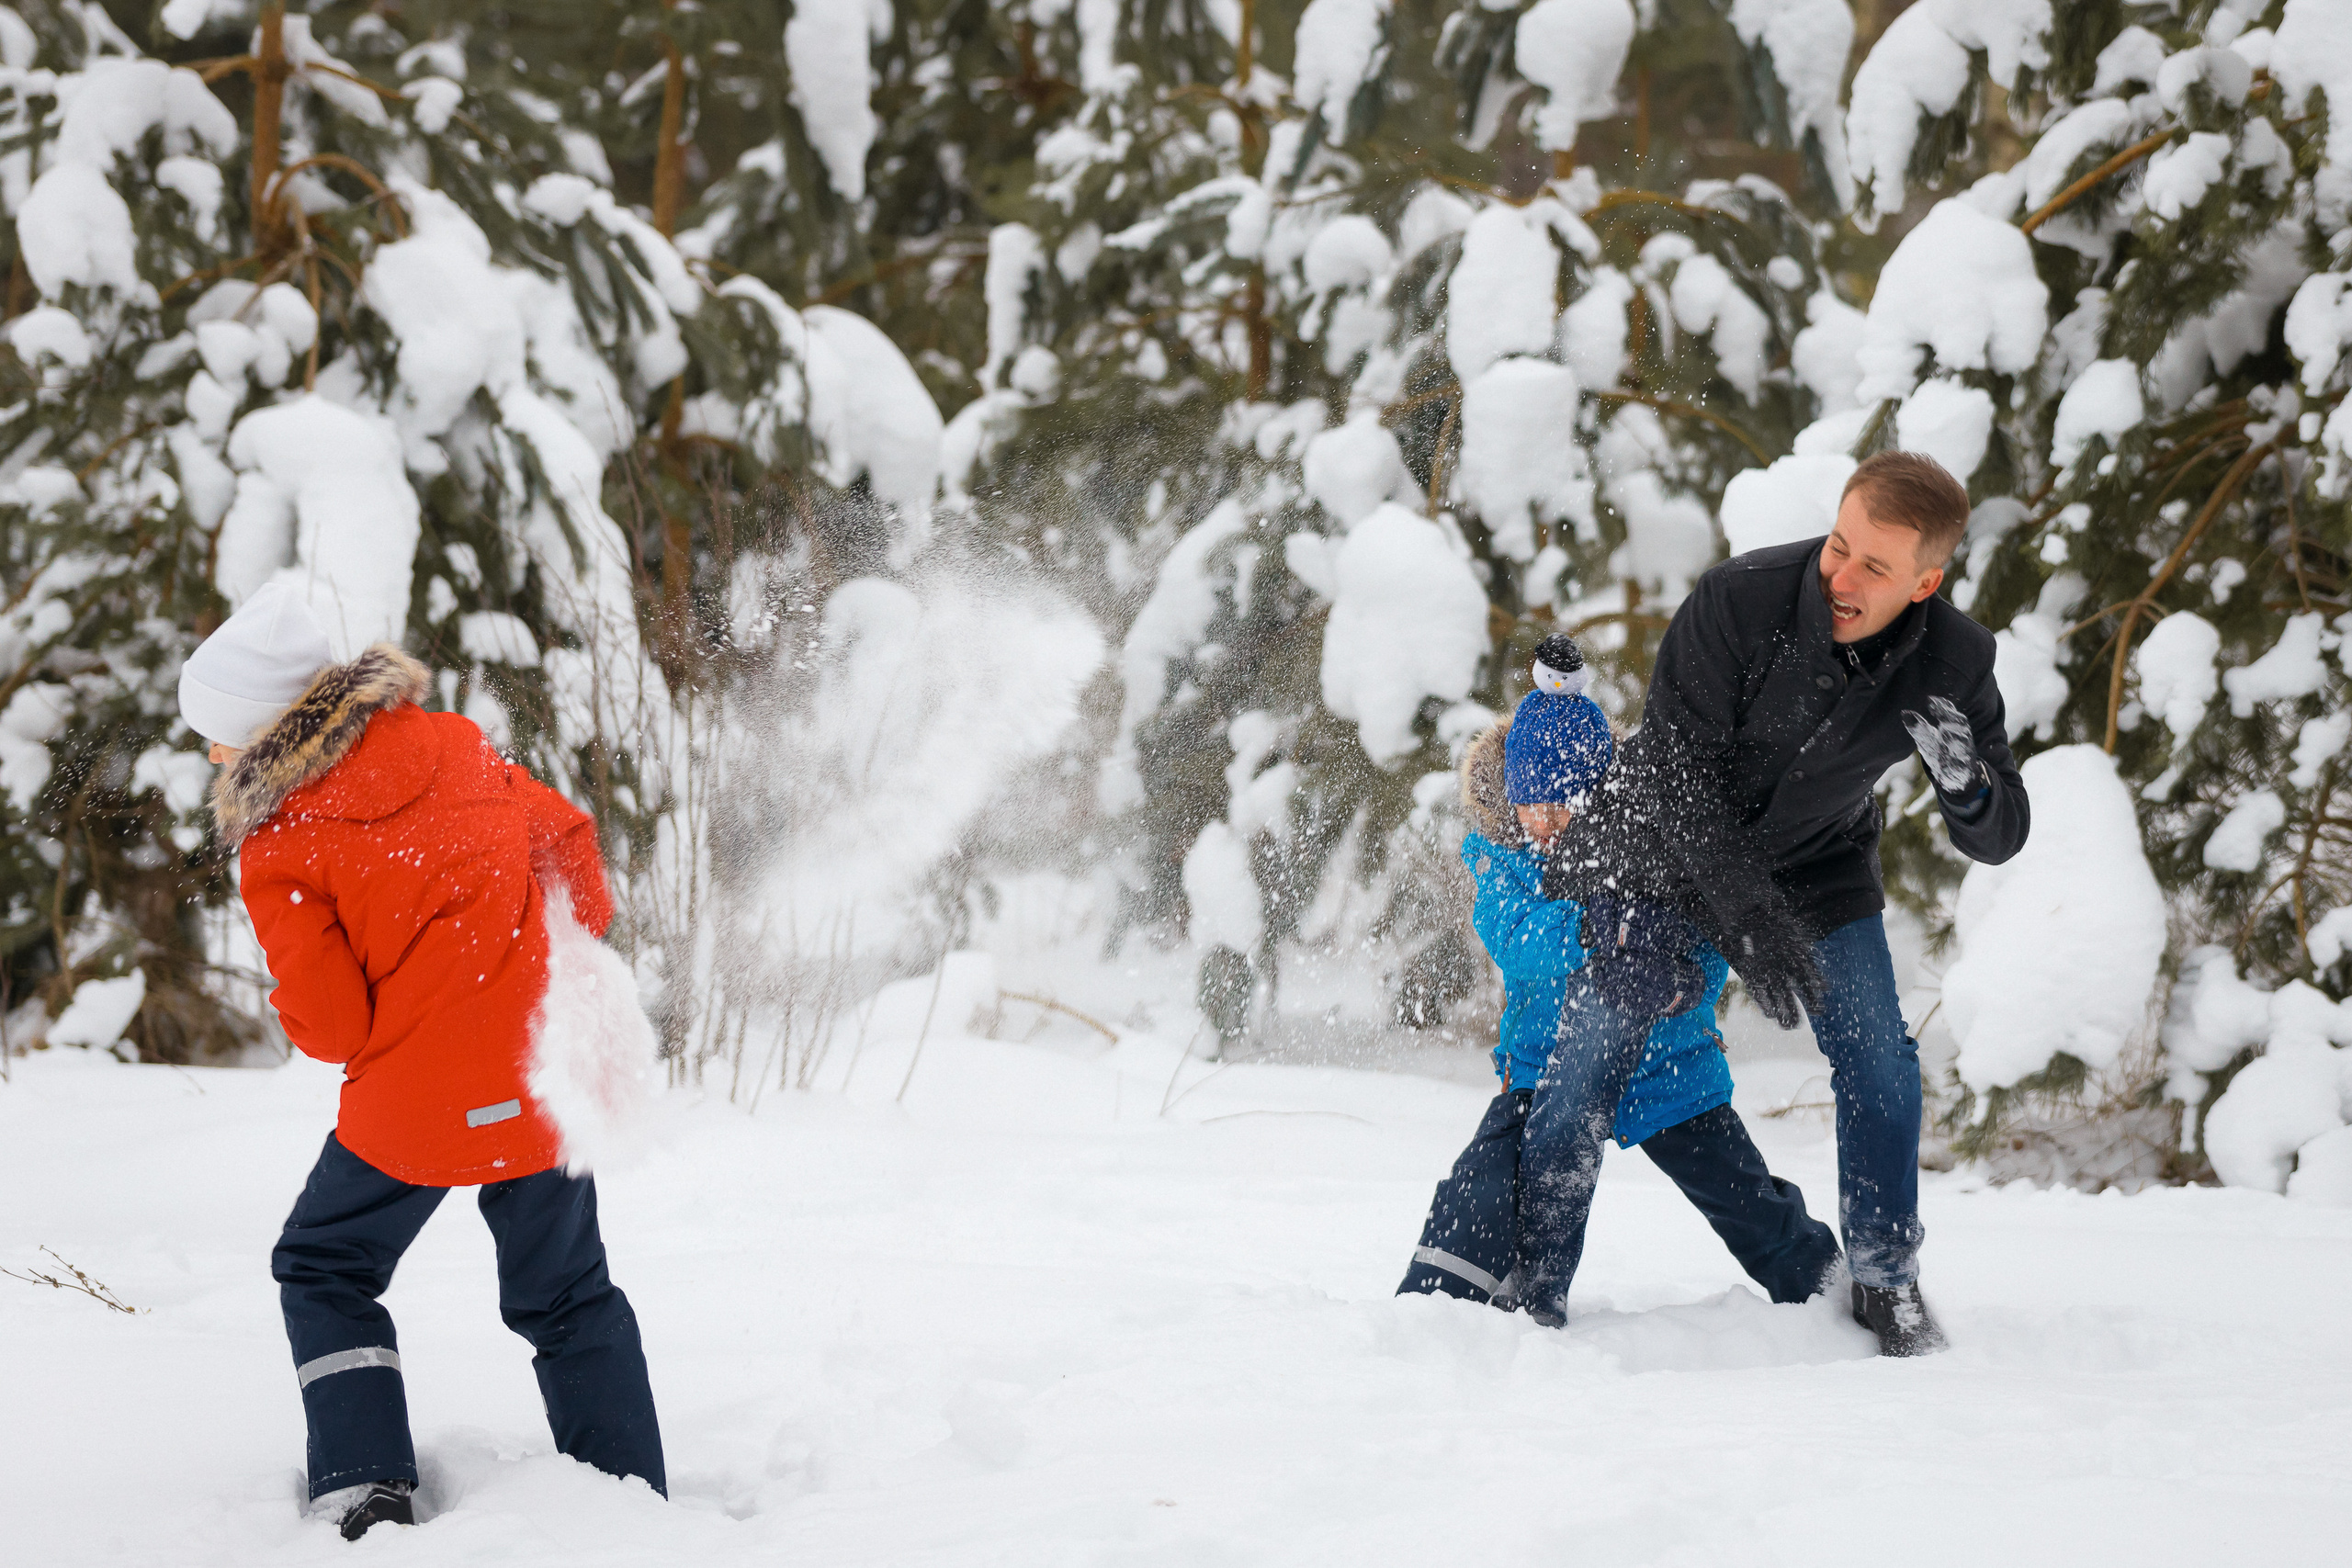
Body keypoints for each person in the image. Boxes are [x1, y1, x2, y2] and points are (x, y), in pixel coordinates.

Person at [180, 583, 665, 1540]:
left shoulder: (280, 840)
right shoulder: (456, 745)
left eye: (219, 736)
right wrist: (548, 955)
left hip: (412, 1108)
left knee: (323, 1265)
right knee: (567, 1294)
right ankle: (631, 1499)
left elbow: (331, 1027)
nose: (211, 754)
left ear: (268, 729)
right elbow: (567, 841)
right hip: (537, 1081)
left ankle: (366, 1486)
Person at [1521, 451, 2030, 1355]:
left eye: (1875, 567)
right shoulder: (1738, 600)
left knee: (1879, 1057)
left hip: (1816, 862)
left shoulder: (1954, 658)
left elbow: (1998, 835)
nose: (1842, 576)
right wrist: (1751, 926)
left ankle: (1884, 1278)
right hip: (1665, 851)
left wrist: (1967, 785)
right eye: (1839, 546)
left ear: (1926, 580)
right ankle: (1534, 1289)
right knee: (1594, 1052)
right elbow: (1676, 784)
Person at [1399, 636, 1840, 1323]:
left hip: (1670, 1069)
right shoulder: (1503, 862)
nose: (1542, 822)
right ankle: (1452, 1308)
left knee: (1745, 1196)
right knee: (1486, 1185)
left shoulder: (1653, 847)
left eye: (1561, 805)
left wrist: (1684, 985)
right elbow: (1515, 940)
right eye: (1529, 804)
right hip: (1546, 1072)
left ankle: (1832, 1290)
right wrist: (1590, 929)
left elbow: (1707, 932)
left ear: (1596, 796)